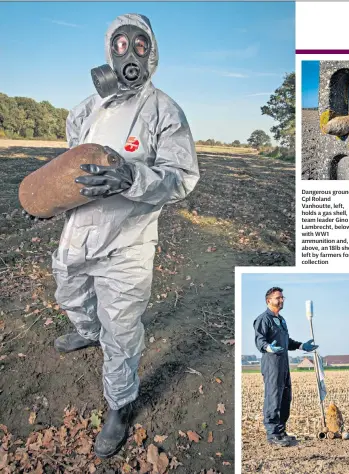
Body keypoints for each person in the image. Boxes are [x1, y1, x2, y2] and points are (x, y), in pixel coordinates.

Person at [50, 13, 200, 459]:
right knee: (69, 292)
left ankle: (119, 404)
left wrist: (130, 177)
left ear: (151, 53)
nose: (129, 53)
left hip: (128, 242)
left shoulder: (164, 110)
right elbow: (71, 162)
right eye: (120, 44)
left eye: (139, 45)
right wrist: (50, 199)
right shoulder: (88, 107)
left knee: (122, 328)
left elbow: (182, 177)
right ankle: (85, 329)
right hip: (79, 230)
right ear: (108, 50)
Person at [253, 287, 318, 447]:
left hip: (284, 364)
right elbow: (259, 340)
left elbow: (286, 341)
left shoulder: (281, 320)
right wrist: (268, 347)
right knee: (273, 398)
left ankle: (281, 431)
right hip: (272, 365)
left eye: (282, 298)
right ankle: (273, 434)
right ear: (269, 301)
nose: (281, 300)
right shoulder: (263, 319)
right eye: (278, 298)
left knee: (285, 398)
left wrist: (302, 345)